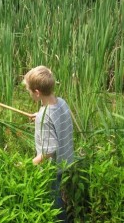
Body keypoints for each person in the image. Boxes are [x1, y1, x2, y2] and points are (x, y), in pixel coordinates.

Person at [23, 65, 74, 223]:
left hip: (53, 166)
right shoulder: (61, 102)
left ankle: (62, 220)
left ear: (37, 92)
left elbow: (49, 151)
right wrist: (40, 113)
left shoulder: (44, 117)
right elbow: (56, 116)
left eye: (29, 90)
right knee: (57, 190)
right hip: (66, 158)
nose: (29, 93)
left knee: (53, 199)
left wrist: (28, 164)